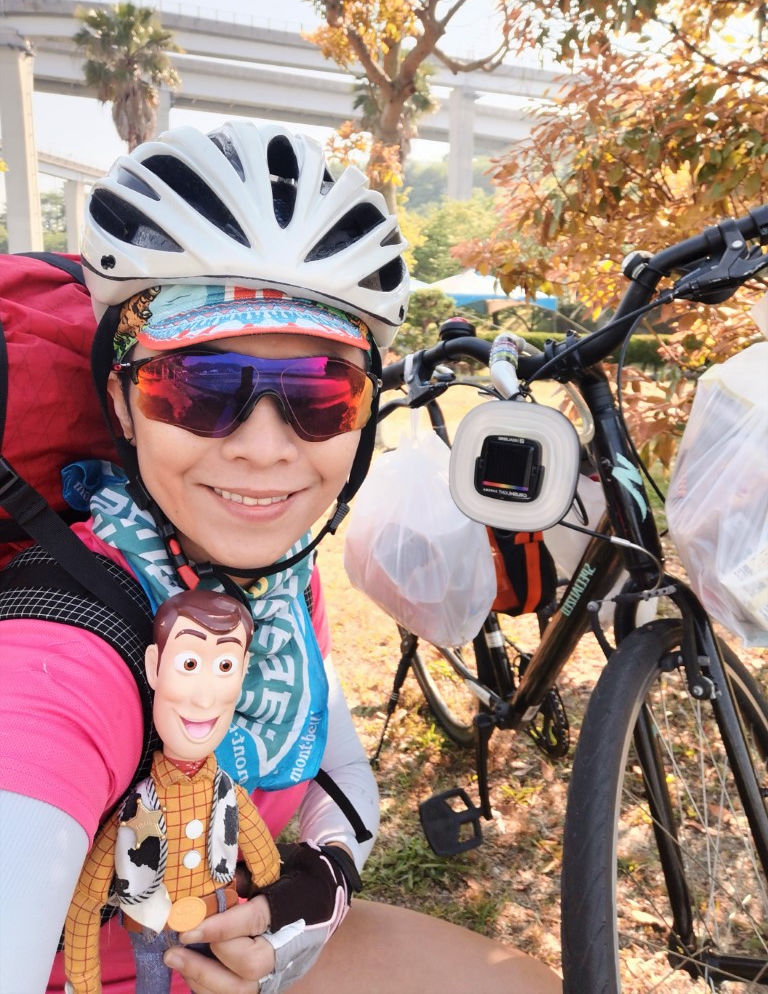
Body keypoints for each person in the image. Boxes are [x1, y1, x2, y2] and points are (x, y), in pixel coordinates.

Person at [0, 120, 562, 994]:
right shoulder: (60, 649)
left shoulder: (271, 578)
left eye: (321, 393)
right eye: (198, 384)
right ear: (120, 401)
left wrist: (313, 891)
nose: (266, 452)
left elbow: (338, 771)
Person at [63, 590, 281, 994]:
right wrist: (85, 981)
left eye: (226, 666)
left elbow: (268, 867)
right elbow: (87, 899)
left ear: (244, 670)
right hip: (150, 925)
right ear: (155, 667)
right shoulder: (138, 806)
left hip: (218, 920)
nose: (204, 695)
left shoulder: (226, 793)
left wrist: (292, 905)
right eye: (190, 664)